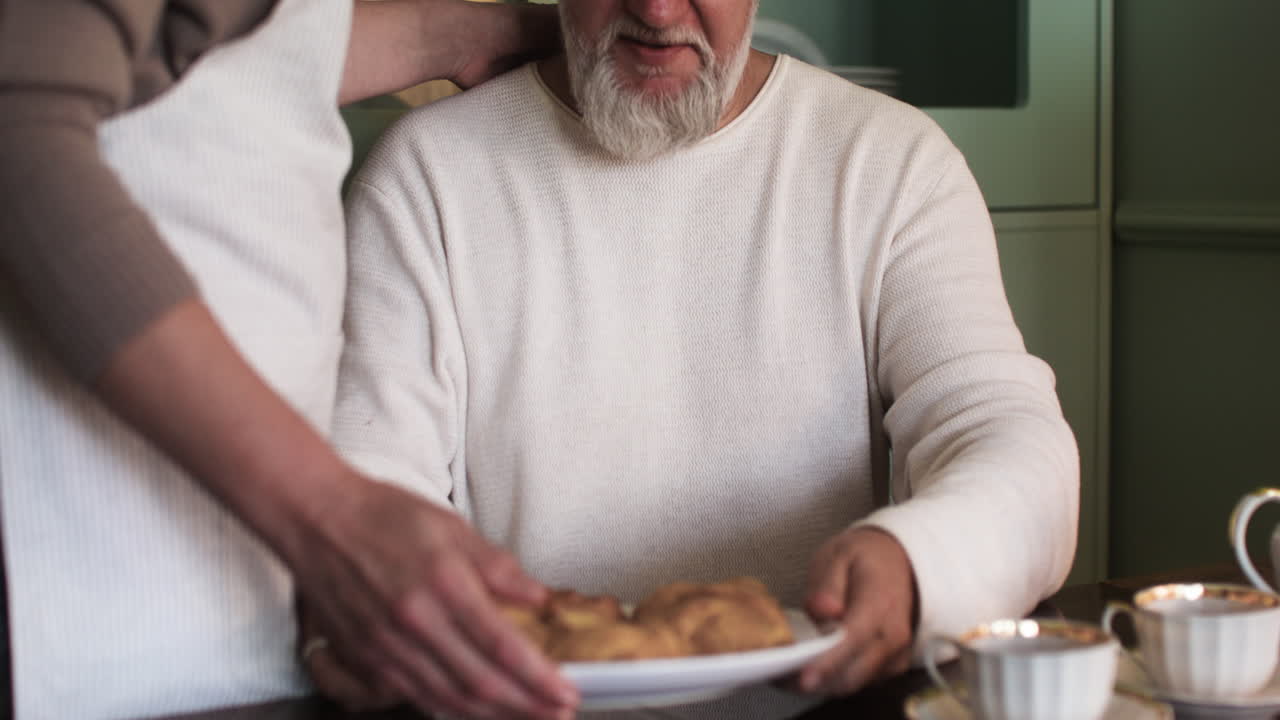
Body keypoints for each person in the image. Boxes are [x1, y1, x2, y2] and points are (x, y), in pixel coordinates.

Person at [317, 0, 1082, 717]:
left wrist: (919, 565)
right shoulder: (426, 177)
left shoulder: (889, 162)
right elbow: (368, 487)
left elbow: (1011, 439)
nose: (656, 8)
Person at [0, 2, 580, 719]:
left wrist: (458, 36)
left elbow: (175, 59)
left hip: (213, 630)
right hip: (78, 619)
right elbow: (20, 115)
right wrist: (330, 516)